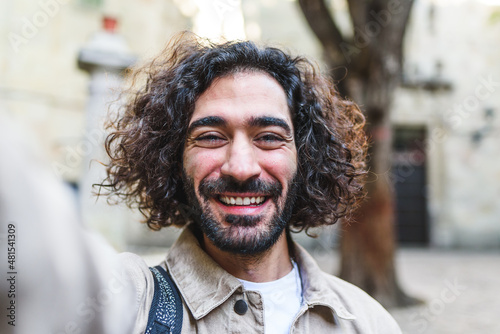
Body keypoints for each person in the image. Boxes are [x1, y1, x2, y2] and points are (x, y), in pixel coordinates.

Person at [99, 32, 402, 334]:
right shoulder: (129, 302)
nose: (241, 168)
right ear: (174, 161)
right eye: (211, 137)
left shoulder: (367, 322)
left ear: (306, 159)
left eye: (269, 137)